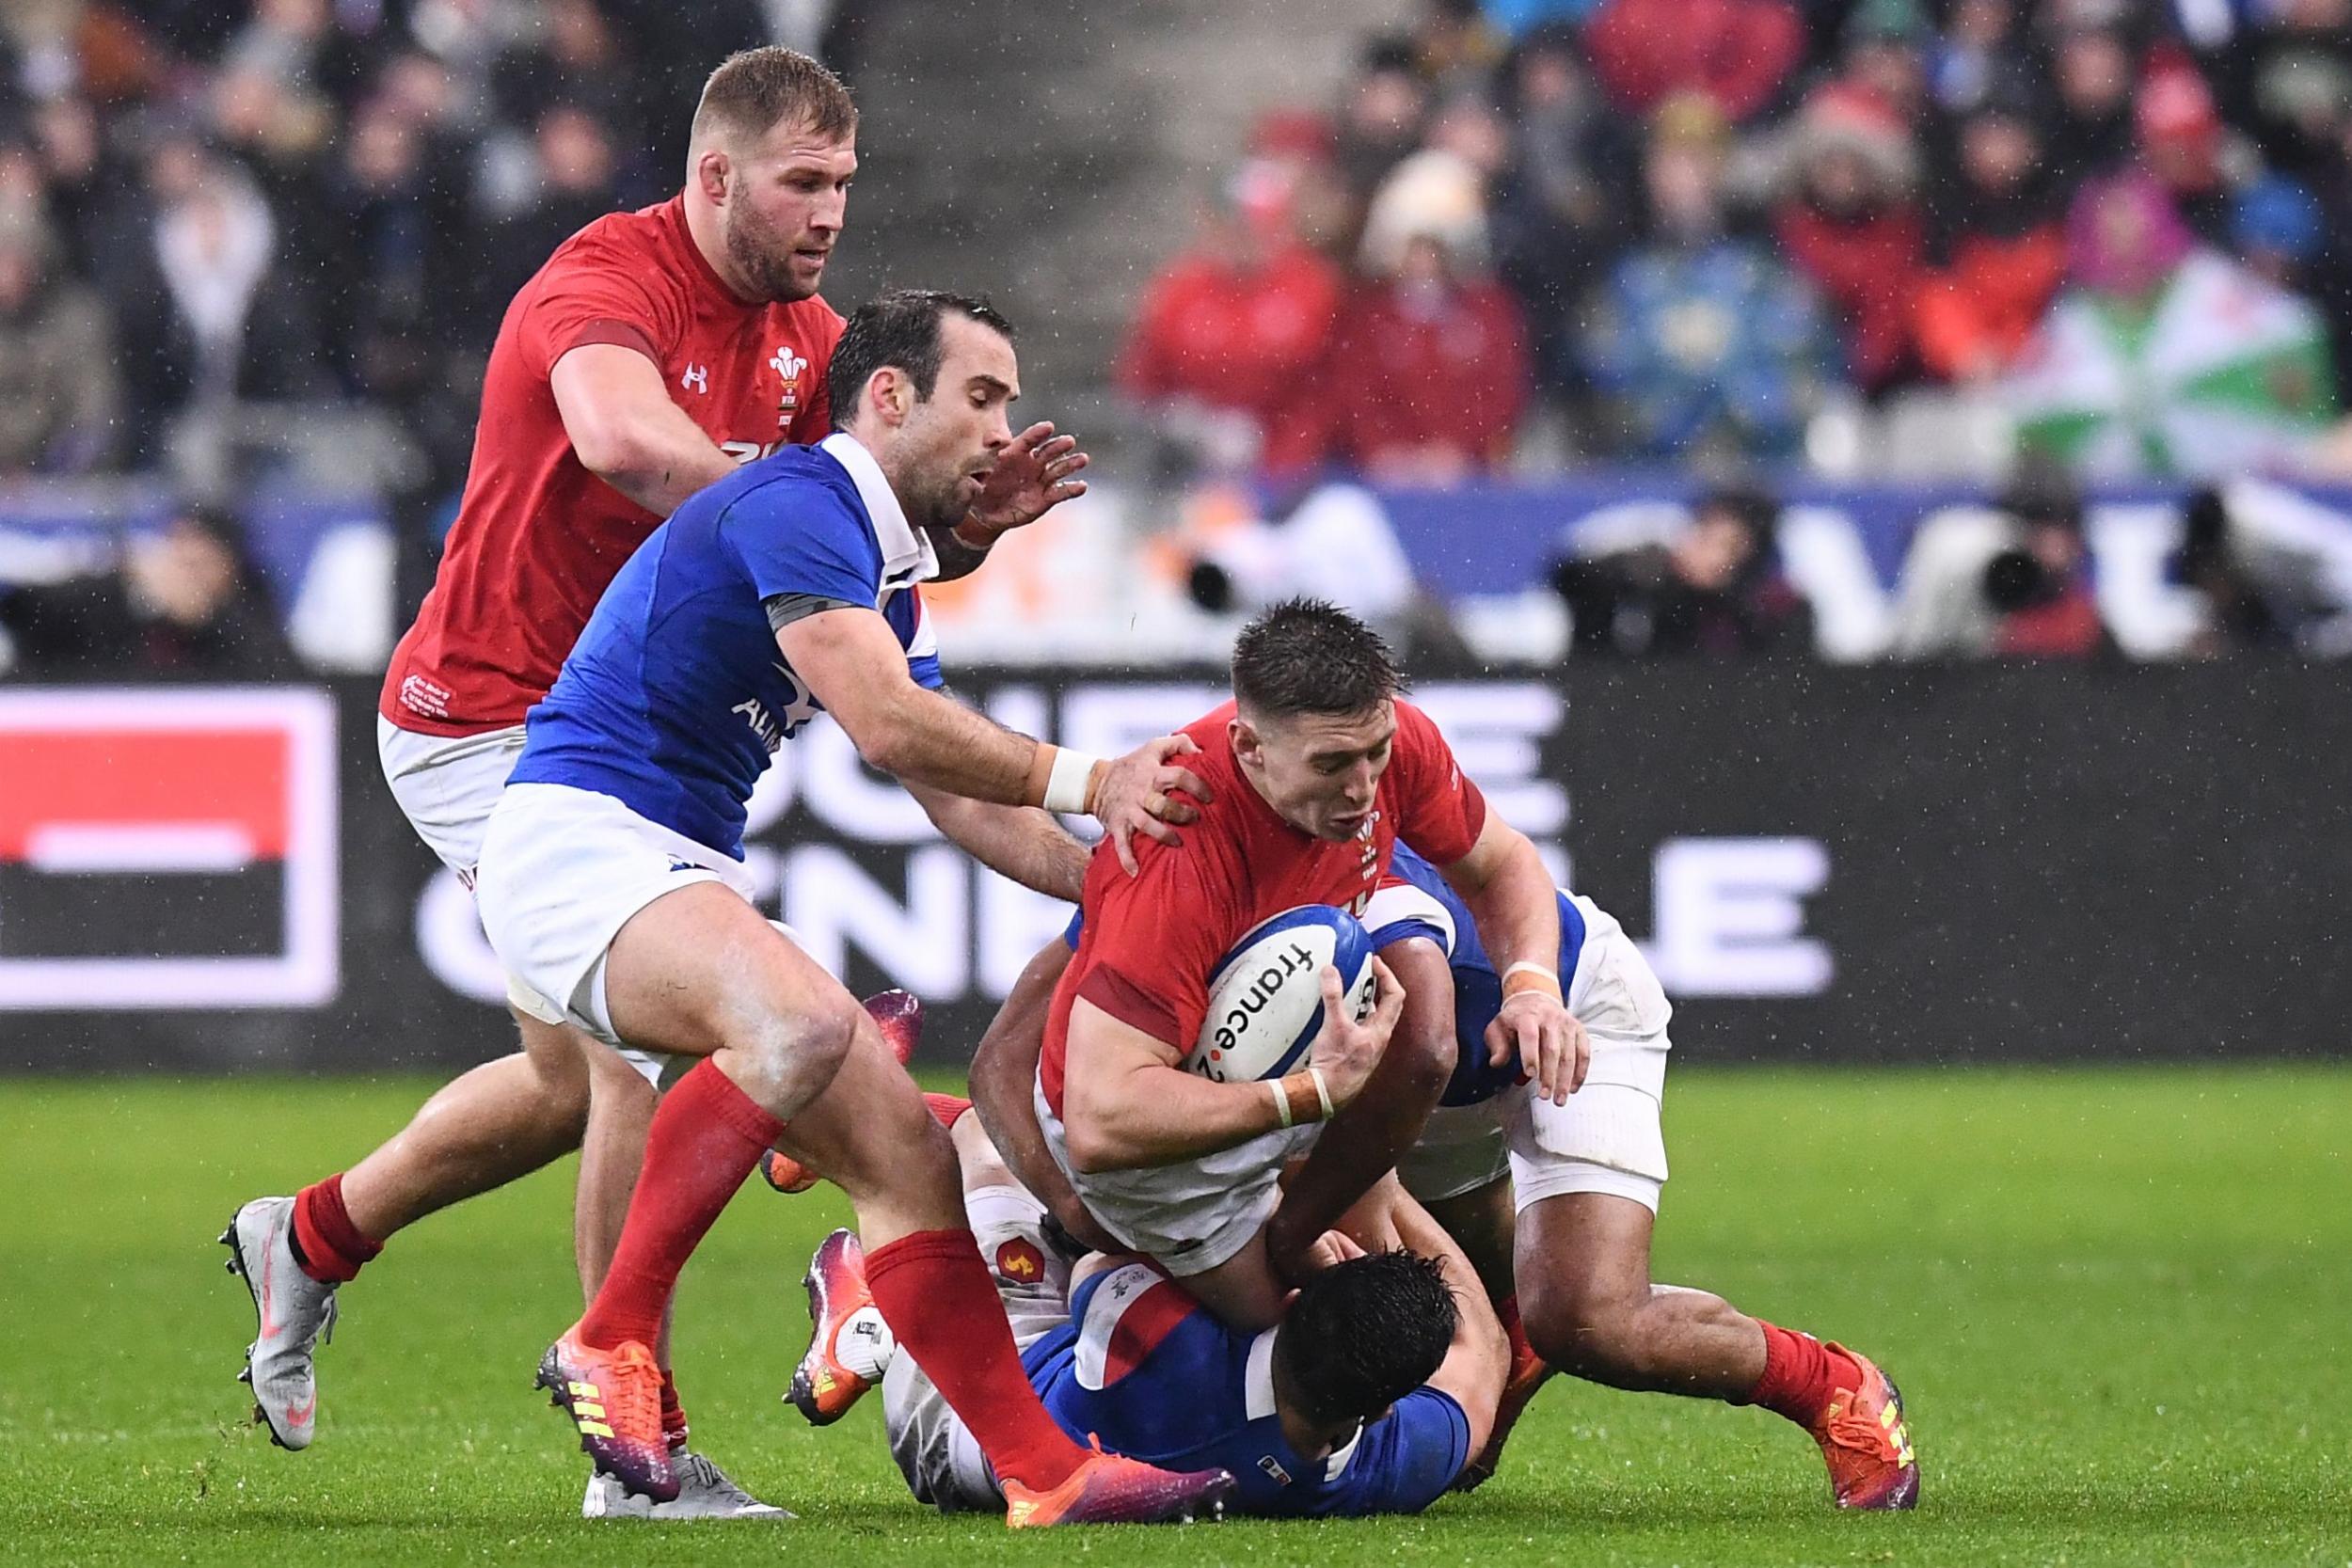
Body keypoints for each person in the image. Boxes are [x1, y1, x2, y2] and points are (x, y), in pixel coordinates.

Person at [218, 47, 1089, 1520]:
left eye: (845, 184)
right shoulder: (601, 279)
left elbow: (846, 561)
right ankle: (640, 1442)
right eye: (802, 181)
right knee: (647, 1059)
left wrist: (947, 542)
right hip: (495, 723)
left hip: (646, 754)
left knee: (577, 1081)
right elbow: (629, 445)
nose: (828, 211)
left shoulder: (818, 340)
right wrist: (807, 495)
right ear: (713, 176)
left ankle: (308, 1234)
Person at [474, 287, 1233, 1526]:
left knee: (910, 1161)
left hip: (669, 862)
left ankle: (1045, 1474)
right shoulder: (799, 500)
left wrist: (1114, 882)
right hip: (577, 844)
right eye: (982, 397)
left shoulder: (876, 559)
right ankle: (610, 1335)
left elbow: (951, 784)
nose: (1004, 430)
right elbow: (887, 723)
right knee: (806, 1022)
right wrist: (1099, 780)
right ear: (889, 396)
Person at [1026, 599, 1584, 1334]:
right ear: (1249, 746)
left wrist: (1533, 986)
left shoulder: (1384, 746)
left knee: (1453, 1343)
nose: (1362, 788)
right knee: (1315, 1355)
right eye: (1331, 765)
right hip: (1158, 1166)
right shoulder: (1174, 845)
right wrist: (1305, 1095)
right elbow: (1097, 1120)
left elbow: (1503, 859)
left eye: (1374, 752)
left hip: (1261, 1101)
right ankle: (1054, 1278)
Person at [1360, 842, 1920, 1510]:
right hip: (1413, 1065)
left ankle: (1832, 1384)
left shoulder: (1361, 833)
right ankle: (1509, 1326)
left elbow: (1429, 1035)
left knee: (1592, 1320)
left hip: (1568, 1011)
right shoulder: (1230, 841)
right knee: (1466, 1275)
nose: (1356, 779)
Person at [787, 1098, 1508, 1517]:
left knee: (990, 1138)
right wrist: (1387, 1202)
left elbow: (1094, 1248)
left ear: (1296, 1299)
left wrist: (1355, 1185)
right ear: (1382, 1406)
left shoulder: (1175, 1343)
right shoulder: (1376, 1464)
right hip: (1087, 1372)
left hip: (962, 1420)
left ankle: (874, 1309)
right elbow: (1489, 1354)